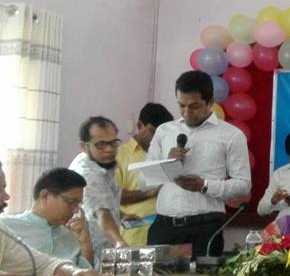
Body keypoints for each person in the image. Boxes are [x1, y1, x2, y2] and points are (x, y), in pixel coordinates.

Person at [147, 71, 252, 258]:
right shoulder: (164, 131)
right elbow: (144, 181)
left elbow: (243, 185)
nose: (187, 112)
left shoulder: (232, 135)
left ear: (210, 101)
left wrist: (204, 185)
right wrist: (166, 163)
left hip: (205, 227)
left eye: (194, 106)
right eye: (181, 105)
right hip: (163, 226)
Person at [0, 167, 94, 267]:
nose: (76, 210)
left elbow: (86, 274)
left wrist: (86, 244)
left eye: (78, 204)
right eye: (71, 202)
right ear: (44, 195)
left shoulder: (73, 234)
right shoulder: (6, 227)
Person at [116, 103, 174, 246]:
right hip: (134, 236)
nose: (157, 138)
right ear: (139, 125)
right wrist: (150, 193)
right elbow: (115, 197)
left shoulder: (165, 156)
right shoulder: (120, 154)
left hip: (165, 233)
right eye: (153, 132)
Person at [68, 116, 126, 258]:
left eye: (113, 143)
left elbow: (102, 199)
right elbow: (102, 213)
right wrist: (120, 243)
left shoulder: (102, 164)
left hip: (103, 248)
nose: (109, 149)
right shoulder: (86, 174)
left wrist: (122, 215)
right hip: (89, 253)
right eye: (100, 145)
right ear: (83, 146)